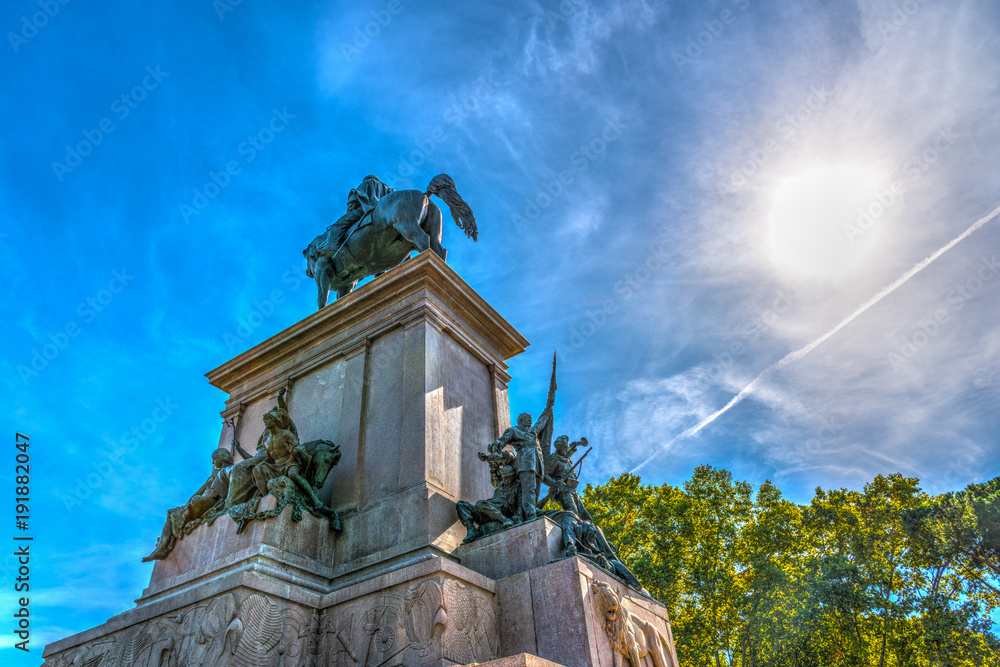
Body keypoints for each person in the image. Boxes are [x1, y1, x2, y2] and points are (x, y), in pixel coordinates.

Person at [143, 444, 249, 562]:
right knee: (174, 512)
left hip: (213, 501)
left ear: (221, 458)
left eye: (214, 459)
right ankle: (160, 548)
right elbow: (199, 491)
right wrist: (185, 507)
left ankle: (161, 547)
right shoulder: (213, 475)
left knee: (192, 503)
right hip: (201, 502)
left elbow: (235, 488)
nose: (213, 463)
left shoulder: (231, 470)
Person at [321, 175, 394, 256]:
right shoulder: (386, 187)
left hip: (365, 210)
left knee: (338, 225)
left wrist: (351, 210)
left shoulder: (366, 183)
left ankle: (332, 246)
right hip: (385, 211)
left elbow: (353, 201)